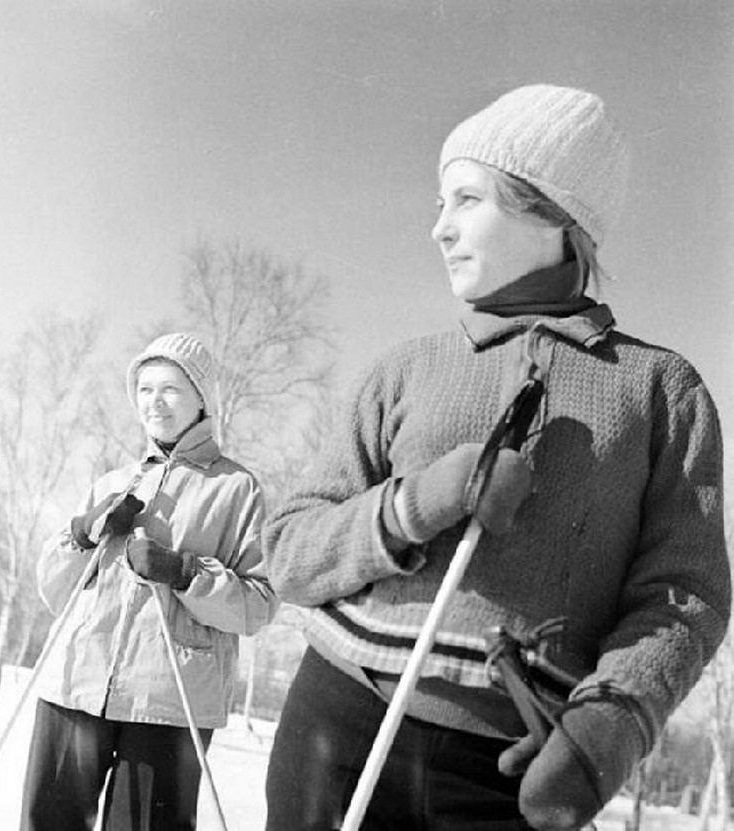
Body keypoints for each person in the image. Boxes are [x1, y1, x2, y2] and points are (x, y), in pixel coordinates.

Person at [262, 85, 730, 830]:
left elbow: (685, 593)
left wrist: (611, 722)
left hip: (513, 773)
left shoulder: (661, 390)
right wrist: (415, 502)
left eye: (465, 200)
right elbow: (288, 551)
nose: (439, 229)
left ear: (551, 211)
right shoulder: (405, 369)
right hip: (341, 724)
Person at [20, 332, 278, 831]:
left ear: (200, 399)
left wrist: (184, 573)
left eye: (171, 389)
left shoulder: (236, 489)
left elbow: (259, 604)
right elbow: (55, 593)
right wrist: (81, 535)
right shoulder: (113, 480)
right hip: (76, 682)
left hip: (170, 702)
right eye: (144, 389)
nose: (154, 402)